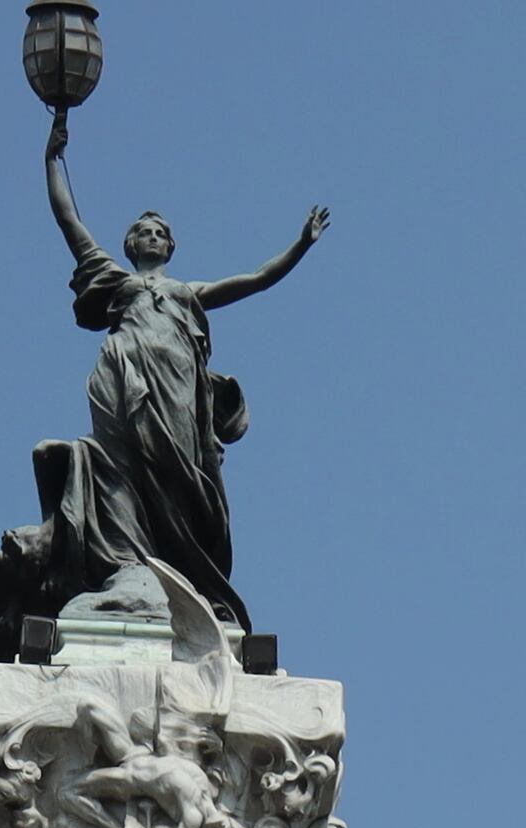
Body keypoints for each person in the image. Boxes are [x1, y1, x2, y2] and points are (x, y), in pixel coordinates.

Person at [45, 104, 326, 628]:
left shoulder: (185, 292)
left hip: (177, 392)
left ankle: (188, 580)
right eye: (143, 232)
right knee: (124, 467)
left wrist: (300, 245)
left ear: (170, 246)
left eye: (159, 233)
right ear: (130, 246)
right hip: (124, 379)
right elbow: (68, 219)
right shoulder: (117, 281)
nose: (151, 237)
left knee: (184, 477)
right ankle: (128, 565)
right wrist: (52, 159)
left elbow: (257, 278)